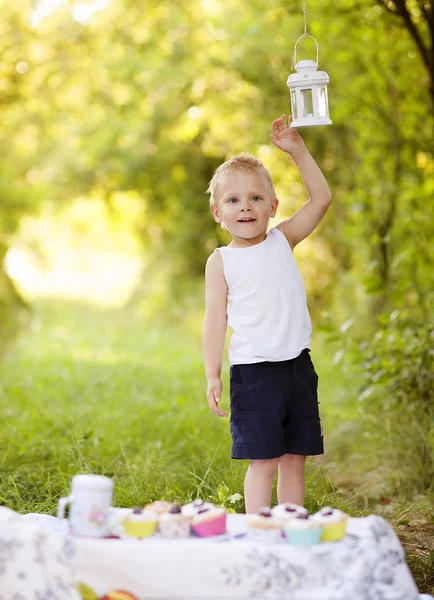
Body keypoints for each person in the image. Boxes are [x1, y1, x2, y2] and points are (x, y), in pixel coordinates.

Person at [202, 114, 332, 514]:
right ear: (217, 211)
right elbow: (215, 321)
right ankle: (259, 533)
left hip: (297, 367)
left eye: (256, 198)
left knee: (296, 459)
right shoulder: (221, 261)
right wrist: (212, 373)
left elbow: (321, 199)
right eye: (234, 200)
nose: (246, 207)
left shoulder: (283, 239)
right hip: (254, 373)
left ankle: (292, 529)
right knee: (264, 461)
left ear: (273, 206)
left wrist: (298, 150)